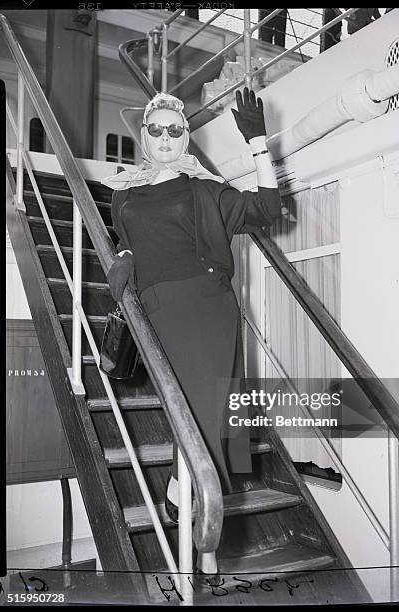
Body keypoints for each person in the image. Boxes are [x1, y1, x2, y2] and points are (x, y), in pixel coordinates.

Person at [101, 88, 281, 577]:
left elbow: (266, 209)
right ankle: (194, 517)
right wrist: (126, 258)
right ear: (144, 136)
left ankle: (194, 521)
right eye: (155, 129)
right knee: (189, 422)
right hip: (157, 313)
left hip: (206, 311)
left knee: (201, 419)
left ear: (186, 138)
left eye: (175, 130)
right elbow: (132, 241)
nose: (164, 137)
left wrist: (259, 143)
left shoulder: (205, 188)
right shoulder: (123, 191)